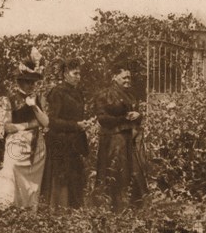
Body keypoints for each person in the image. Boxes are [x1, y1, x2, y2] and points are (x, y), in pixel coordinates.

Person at [0, 49, 49, 209]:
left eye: (33, 82)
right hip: (17, 143)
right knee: (11, 169)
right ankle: (7, 205)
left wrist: (34, 107)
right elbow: (7, 126)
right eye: (27, 81)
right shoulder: (11, 99)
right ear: (19, 82)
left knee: (33, 180)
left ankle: (28, 207)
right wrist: (29, 125)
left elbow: (46, 122)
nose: (30, 85)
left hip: (36, 144)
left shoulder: (37, 99)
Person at [94, 63, 148, 211]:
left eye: (129, 77)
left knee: (132, 174)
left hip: (129, 140)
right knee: (115, 173)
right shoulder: (105, 94)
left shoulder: (130, 95)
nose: (127, 80)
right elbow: (102, 119)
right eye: (124, 77)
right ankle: (113, 207)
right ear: (114, 77)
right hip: (113, 140)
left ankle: (130, 207)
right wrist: (124, 119)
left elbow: (135, 116)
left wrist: (138, 115)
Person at [41, 58, 88, 209]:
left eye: (80, 74)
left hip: (74, 142)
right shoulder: (57, 92)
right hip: (60, 142)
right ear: (65, 73)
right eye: (75, 73)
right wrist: (75, 125)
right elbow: (52, 121)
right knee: (61, 178)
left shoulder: (78, 92)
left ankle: (74, 211)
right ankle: (59, 211)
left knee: (75, 176)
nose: (78, 77)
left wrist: (82, 125)